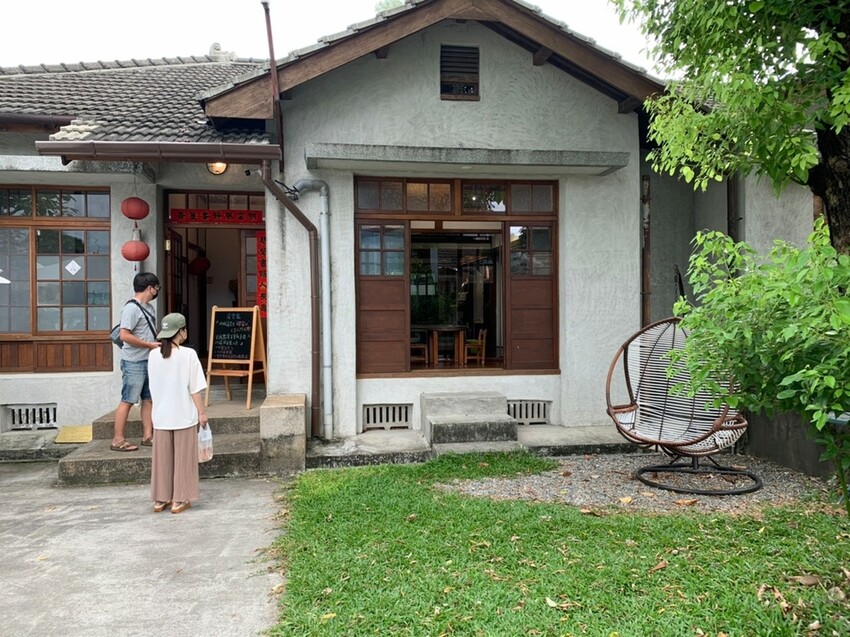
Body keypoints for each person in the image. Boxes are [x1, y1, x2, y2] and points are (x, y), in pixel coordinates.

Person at [148, 312, 209, 514]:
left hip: (160, 416)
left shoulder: (153, 355)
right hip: (183, 415)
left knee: (162, 460)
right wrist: (202, 413)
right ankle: (179, 500)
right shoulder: (188, 355)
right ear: (182, 331)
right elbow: (195, 389)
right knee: (183, 459)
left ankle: (160, 499)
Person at [111, 272, 160, 452]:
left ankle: (148, 436)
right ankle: (118, 439)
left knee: (149, 399)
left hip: (149, 359)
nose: (157, 291)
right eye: (157, 288)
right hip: (133, 361)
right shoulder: (131, 309)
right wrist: (148, 345)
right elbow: (124, 335)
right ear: (150, 288)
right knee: (128, 400)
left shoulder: (150, 308)